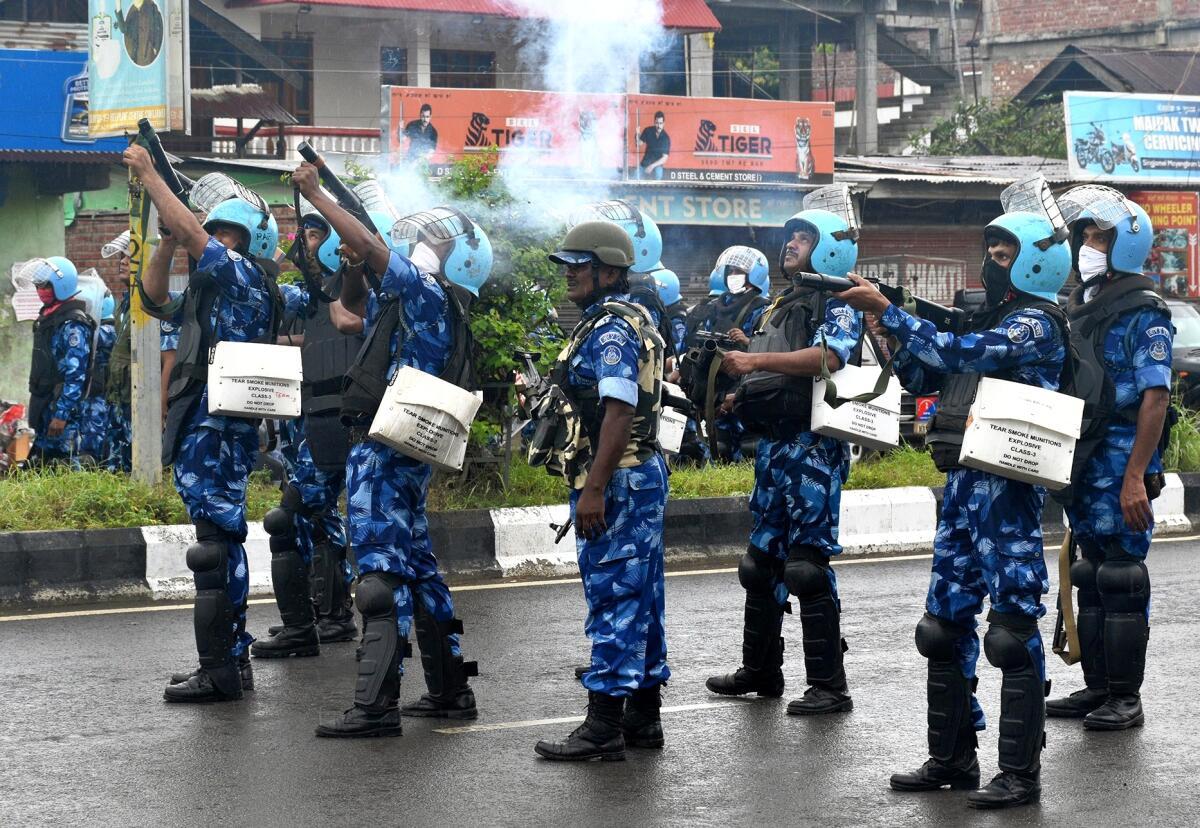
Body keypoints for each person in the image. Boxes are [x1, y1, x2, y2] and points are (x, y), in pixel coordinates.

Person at [838, 211, 1071, 809]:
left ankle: (1020, 773)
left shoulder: (1034, 324)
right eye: (989, 250)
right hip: (965, 487)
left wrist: (893, 312)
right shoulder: (989, 316)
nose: (991, 260)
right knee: (941, 628)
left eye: (1002, 254)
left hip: (1008, 491)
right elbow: (929, 373)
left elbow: (963, 349)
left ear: (1033, 262)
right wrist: (886, 330)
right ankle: (951, 758)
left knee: (1012, 633)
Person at [293, 164, 488, 737]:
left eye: (434, 243)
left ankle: (377, 705)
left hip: (385, 448)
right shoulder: (427, 304)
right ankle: (452, 690)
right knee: (418, 569)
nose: (421, 247)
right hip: (400, 445)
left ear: (458, 261)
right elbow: (348, 307)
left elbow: (366, 246)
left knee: (378, 573)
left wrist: (316, 196)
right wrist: (355, 264)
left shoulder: (429, 294)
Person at [125, 145, 279, 704]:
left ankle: (219, 671)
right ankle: (228, 663)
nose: (210, 240)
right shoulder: (210, 292)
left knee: (213, 548)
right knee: (218, 545)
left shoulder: (243, 277)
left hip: (217, 429)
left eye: (222, 233)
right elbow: (155, 296)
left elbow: (195, 234)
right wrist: (164, 239)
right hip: (202, 423)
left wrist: (149, 177)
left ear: (242, 242)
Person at [704, 208, 860, 719]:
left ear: (830, 249)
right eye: (790, 235)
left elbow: (829, 358)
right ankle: (762, 671)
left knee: (807, 566)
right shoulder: (780, 302)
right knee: (761, 563)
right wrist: (741, 380)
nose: (790, 243)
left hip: (812, 449)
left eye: (804, 237)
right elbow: (775, 364)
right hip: (773, 447)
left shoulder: (838, 299)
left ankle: (829, 686)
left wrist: (755, 361)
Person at [527, 220, 670, 762]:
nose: (569, 274)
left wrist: (594, 487)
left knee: (614, 599)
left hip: (619, 478)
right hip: (635, 476)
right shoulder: (630, 318)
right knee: (642, 599)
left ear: (609, 270)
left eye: (578, 265)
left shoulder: (611, 329)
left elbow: (618, 409)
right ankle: (644, 717)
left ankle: (603, 726)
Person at [1048, 187, 1171, 731]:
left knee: (1121, 577)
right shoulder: (1085, 306)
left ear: (1124, 247)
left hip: (1122, 460)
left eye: (1099, 237)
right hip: (1085, 457)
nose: (1087, 246)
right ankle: (1097, 687)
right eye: (1086, 235)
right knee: (1090, 573)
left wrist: (1136, 476)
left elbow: (1156, 397)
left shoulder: (1145, 312)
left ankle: (1126, 697)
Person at [252, 203, 364, 659]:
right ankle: (327, 618)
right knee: (316, 519)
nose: (306, 242)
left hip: (342, 422)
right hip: (311, 420)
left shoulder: (356, 291)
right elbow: (276, 299)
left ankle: (316, 624)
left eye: (315, 234)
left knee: (289, 517)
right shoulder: (313, 294)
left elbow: (345, 327)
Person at [683, 246, 771, 462]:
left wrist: (747, 341)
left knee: (749, 447)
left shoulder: (762, 309)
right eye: (730, 271)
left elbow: (770, 350)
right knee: (717, 445)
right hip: (716, 384)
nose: (733, 276)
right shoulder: (714, 307)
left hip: (745, 386)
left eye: (738, 272)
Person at [27, 256, 94, 467]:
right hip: (45, 404)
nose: (40, 290)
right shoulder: (48, 317)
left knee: (67, 466)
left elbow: (76, 375)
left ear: (61, 285)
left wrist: (62, 415)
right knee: (44, 465)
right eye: (37, 285)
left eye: (45, 285)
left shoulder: (73, 323)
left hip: (63, 412)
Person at [101, 232, 133, 473]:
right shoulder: (124, 303)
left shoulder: (150, 304)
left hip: (139, 403)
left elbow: (169, 356)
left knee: (136, 461)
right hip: (119, 399)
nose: (122, 261)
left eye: (129, 257)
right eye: (121, 256)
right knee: (117, 464)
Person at [78, 292, 118, 463]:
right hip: (96, 387)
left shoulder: (106, 330)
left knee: (95, 427)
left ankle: (94, 460)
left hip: (99, 389)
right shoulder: (103, 328)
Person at [637, 111, 670, 180]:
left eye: (660, 123)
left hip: (657, 165)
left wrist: (652, 166)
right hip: (645, 162)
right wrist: (637, 135)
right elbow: (639, 144)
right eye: (657, 123)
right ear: (654, 122)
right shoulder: (647, 130)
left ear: (664, 123)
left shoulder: (666, 138)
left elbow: (664, 158)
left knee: (657, 179)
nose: (659, 126)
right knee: (635, 178)